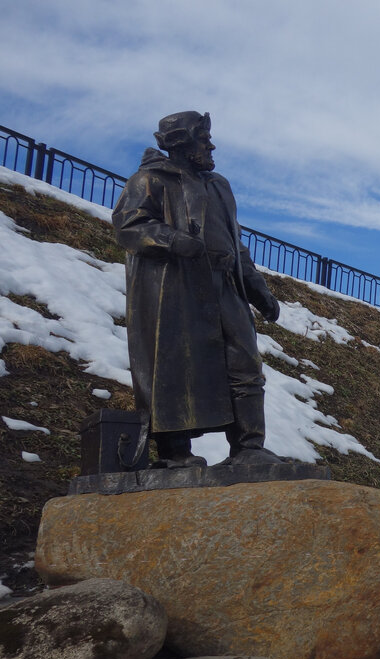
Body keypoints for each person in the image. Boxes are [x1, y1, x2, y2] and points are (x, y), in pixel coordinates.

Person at [112, 111, 282, 468]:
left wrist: (257, 289)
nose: (211, 145)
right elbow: (130, 226)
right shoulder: (149, 180)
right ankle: (176, 453)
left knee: (245, 362)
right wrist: (173, 240)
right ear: (182, 143)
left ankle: (249, 446)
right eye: (204, 139)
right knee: (172, 365)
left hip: (224, 284)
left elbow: (236, 243)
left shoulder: (218, 185)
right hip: (176, 288)